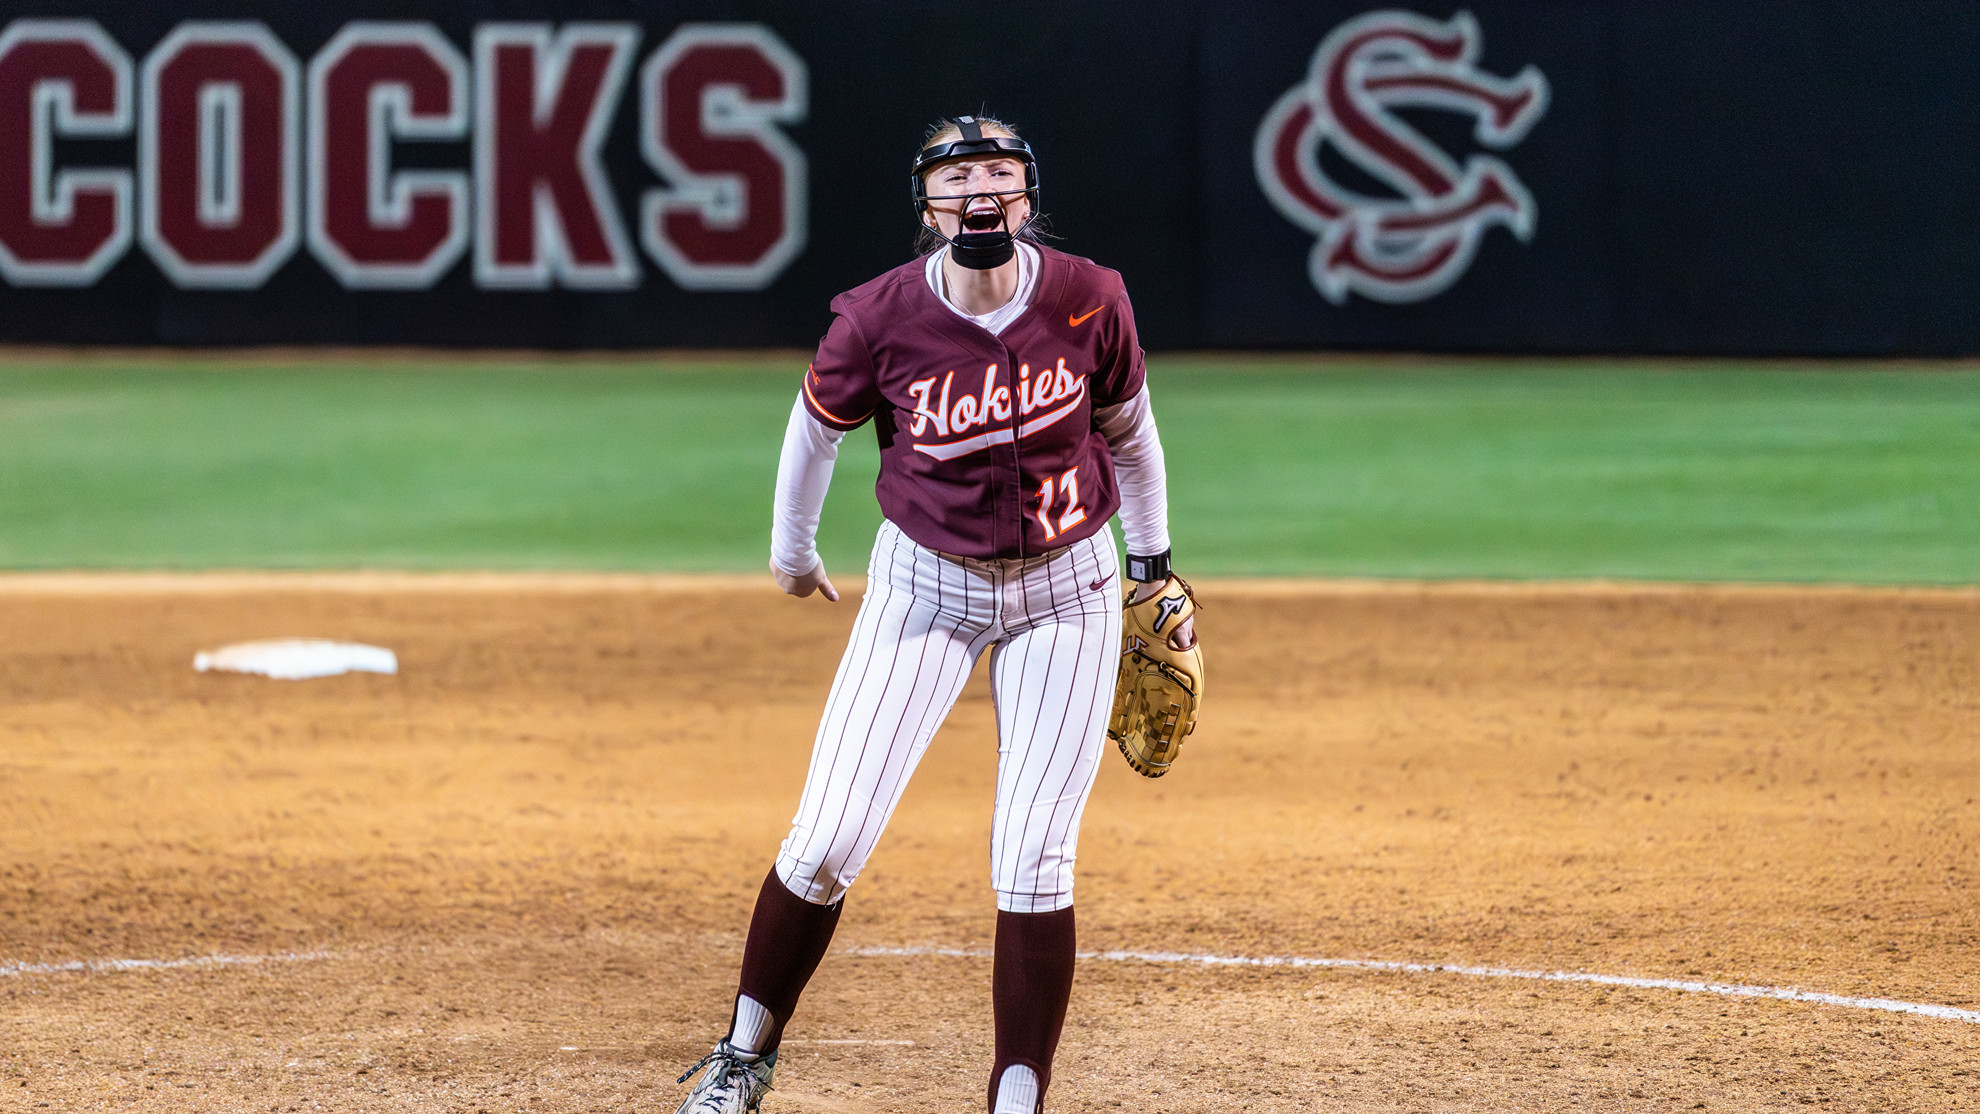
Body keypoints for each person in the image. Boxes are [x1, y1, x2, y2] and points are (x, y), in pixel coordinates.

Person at [673, 114, 1190, 1114]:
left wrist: (1153, 564)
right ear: (928, 206)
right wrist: (793, 552)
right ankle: (744, 1054)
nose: (980, 190)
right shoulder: (880, 316)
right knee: (826, 838)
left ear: (1030, 196)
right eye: (958, 176)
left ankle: (1017, 1095)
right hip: (924, 588)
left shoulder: (1089, 298)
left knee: (1034, 853)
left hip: (1066, 591)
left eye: (1000, 170)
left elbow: (1131, 434)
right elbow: (814, 429)